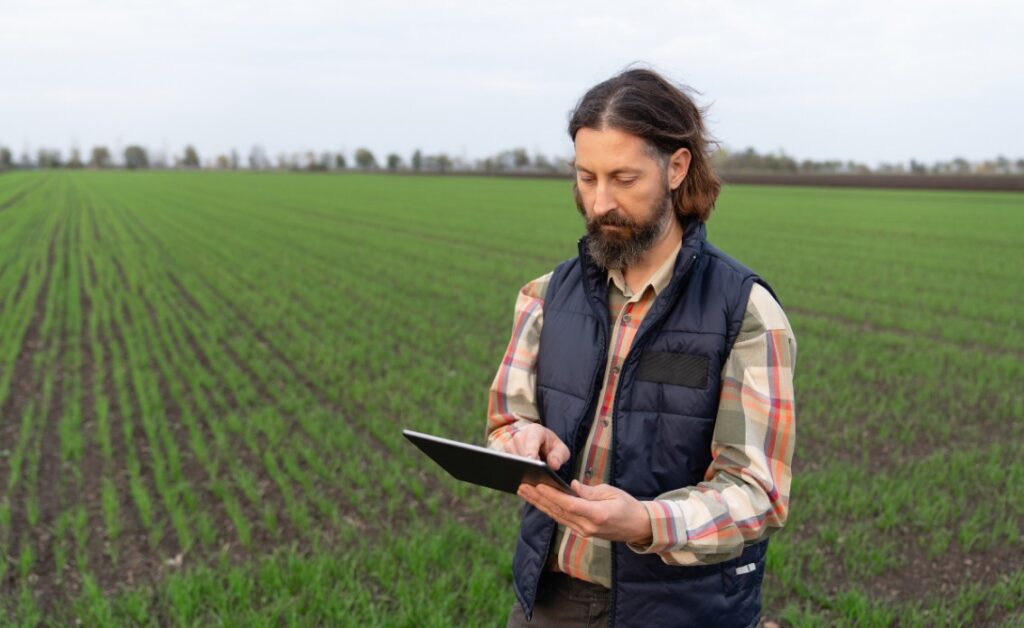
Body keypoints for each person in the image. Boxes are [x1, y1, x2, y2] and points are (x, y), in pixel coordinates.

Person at [485, 68, 797, 628]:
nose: (600, 202)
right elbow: (507, 420)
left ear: (676, 168)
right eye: (586, 177)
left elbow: (758, 493)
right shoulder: (544, 297)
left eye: (623, 179)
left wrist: (646, 522)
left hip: (686, 611)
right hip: (550, 604)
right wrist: (521, 440)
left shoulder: (745, 313)